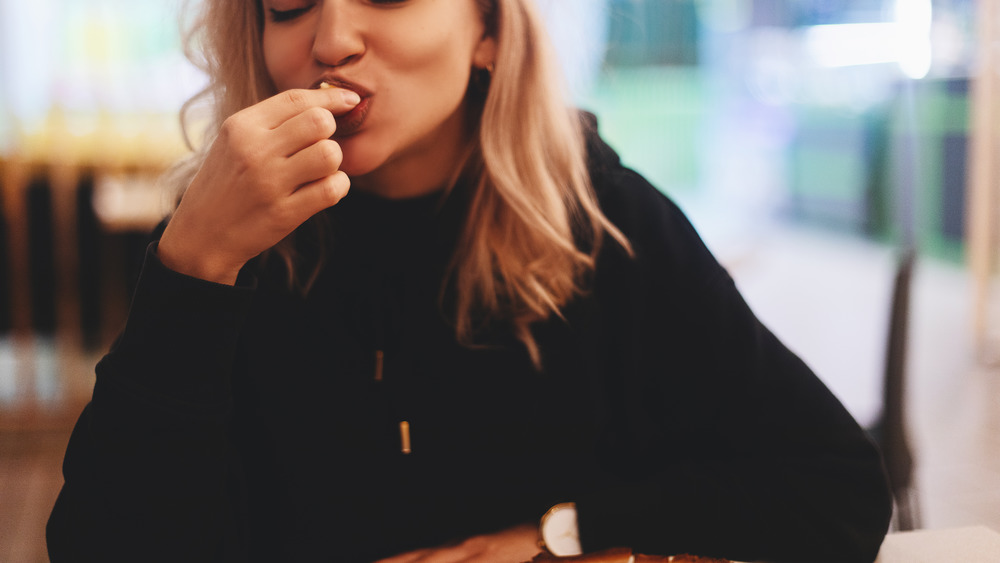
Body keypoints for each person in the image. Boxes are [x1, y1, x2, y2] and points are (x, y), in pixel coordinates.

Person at [46, 0, 893, 561]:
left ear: (487, 31)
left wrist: (557, 532)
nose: (330, 39)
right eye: (289, 3)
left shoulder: (603, 221)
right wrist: (192, 269)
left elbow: (834, 489)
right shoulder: (228, 246)